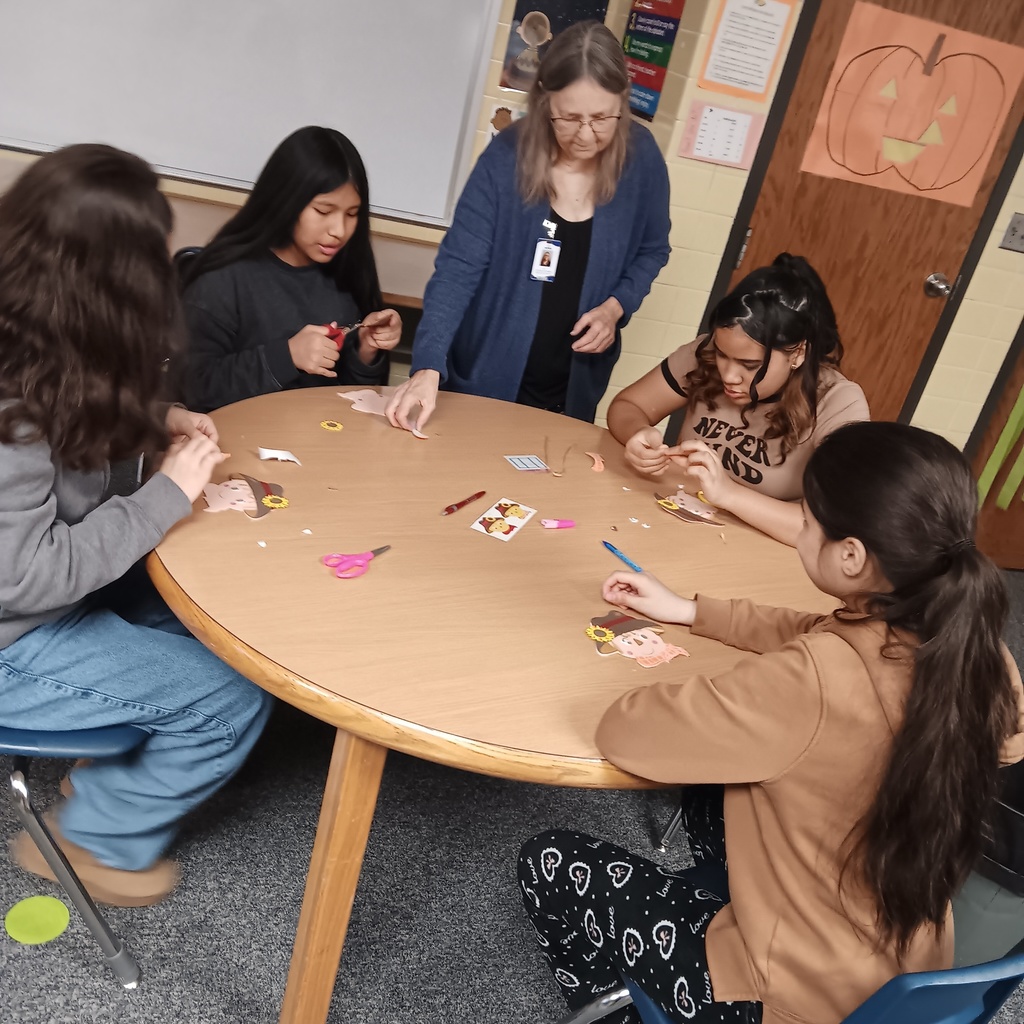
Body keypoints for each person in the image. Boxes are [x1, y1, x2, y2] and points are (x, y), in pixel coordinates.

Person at [518, 421, 1024, 1024]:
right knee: (718, 793)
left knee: (547, 861)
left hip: (783, 996)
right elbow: (828, 633)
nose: (800, 530)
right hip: (902, 963)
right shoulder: (982, 657)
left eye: (807, 522)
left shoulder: (809, 682)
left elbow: (625, 732)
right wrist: (689, 610)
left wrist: (710, 689)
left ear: (851, 556)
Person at [0, 144, 273, 906]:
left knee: (220, 620)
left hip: (46, 600)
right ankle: (94, 838)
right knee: (231, 696)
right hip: (14, 631)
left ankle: (110, 749)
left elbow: (73, 411)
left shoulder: (39, 332)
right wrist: (167, 496)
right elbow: (23, 578)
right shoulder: (8, 408)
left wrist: (157, 422)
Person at [386, 20, 670, 430]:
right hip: (486, 379)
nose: (586, 135)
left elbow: (653, 249)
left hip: (572, 387)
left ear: (622, 102)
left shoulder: (641, 159)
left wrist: (615, 307)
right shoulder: (506, 158)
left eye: (602, 118)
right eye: (569, 117)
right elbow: (457, 271)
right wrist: (427, 367)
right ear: (544, 101)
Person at [607, 254, 868, 545]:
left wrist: (728, 493)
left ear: (798, 354)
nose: (728, 374)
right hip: (677, 523)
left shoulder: (838, 401)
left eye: (749, 366)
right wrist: (638, 434)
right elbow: (628, 406)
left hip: (759, 547)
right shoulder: (704, 353)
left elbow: (835, 528)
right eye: (722, 354)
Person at [181, 126, 402, 413]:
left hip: (323, 443)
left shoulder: (349, 274)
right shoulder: (222, 279)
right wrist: (286, 357)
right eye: (323, 211)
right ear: (286, 200)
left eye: (352, 214)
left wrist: (366, 352)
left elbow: (352, 402)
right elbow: (191, 391)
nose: (339, 231)